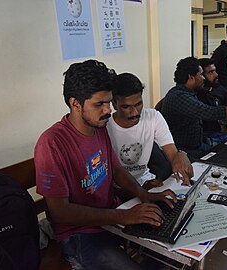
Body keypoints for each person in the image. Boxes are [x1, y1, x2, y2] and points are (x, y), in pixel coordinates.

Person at [34, 60, 177, 270]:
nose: (108, 110)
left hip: (111, 219)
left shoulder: (99, 128)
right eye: (99, 104)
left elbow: (117, 169)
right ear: (75, 104)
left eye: (109, 102)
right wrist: (125, 216)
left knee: (172, 248)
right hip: (79, 234)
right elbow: (59, 212)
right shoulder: (52, 143)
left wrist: (142, 193)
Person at [161, 56, 227, 160]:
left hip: (199, 144)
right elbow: (209, 112)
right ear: (191, 77)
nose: (203, 78)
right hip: (184, 151)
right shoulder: (179, 96)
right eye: (200, 74)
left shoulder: (190, 93)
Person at [107, 72, 193, 190]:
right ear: (114, 104)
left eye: (138, 104)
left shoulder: (153, 117)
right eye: (126, 107)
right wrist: (140, 190)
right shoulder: (105, 127)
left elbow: (172, 152)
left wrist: (180, 157)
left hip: (148, 182)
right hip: (119, 190)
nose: (135, 112)